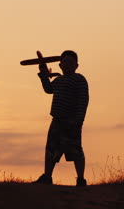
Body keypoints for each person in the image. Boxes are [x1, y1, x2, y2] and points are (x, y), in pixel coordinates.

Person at [34, 50, 89, 187]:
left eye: (70, 62)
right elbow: (48, 89)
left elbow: (83, 100)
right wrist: (43, 74)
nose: (67, 65)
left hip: (72, 121)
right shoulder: (58, 80)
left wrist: (79, 120)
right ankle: (47, 177)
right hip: (57, 120)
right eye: (64, 62)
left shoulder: (79, 79)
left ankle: (81, 179)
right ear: (60, 65)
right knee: (51, 149)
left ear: (77, 65)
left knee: (76, 150)